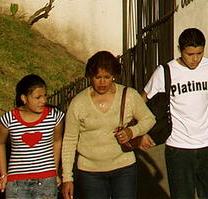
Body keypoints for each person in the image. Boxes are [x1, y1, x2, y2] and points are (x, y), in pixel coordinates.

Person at [141, 28, 208, 199]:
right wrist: (141, 132)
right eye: (190, 54)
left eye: (199, 53)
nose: (195, 59)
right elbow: (141, 101)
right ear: (179, 49)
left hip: (207, 145)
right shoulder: (165, 72)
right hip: (178, 148)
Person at [60, 51, 155, 199]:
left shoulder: (129, 95)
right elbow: (69, 141)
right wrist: (67, 177)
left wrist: (132, 132)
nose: (102, 82)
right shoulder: (78, 103)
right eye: (98, 77)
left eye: (107, 77)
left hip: (124, 167)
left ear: (114, 76)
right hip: (89, 171)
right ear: (90, 77)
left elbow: (149, 119)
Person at [0, 74, 64, 199]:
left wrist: (54, 170)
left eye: (45, 96)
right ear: (24, 98)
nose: (43, 101)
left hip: (46, 180)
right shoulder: (8, 119)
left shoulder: (54, 117)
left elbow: (57, 141)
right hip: (16, 183)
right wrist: (3, 174)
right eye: (37, 97)